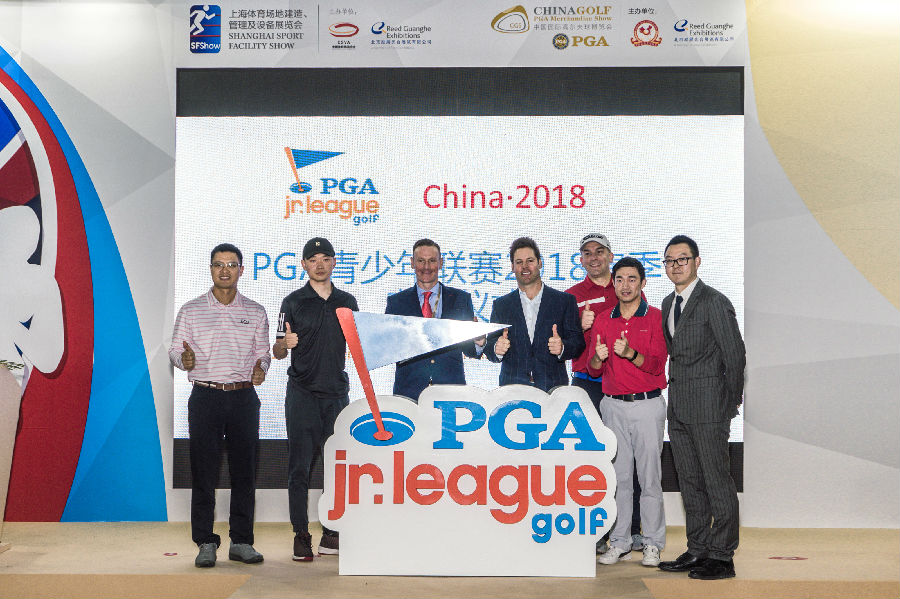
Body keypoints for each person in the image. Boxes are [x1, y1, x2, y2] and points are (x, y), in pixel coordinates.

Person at [169, 243, 270, 568]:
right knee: (203, 472)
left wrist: (262, 367)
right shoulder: (191, 310)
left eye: (231, 264)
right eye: (218, 264)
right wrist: (183, 360)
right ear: (210, 269)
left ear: (241, 270)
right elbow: (175, 350)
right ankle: (205, 542)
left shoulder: (256, 311)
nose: (224, 270)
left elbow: (264, 353)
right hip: (206, 396)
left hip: (243, 398)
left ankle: (241, 541)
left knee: (245, 472)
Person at [657, 235, 745, 580]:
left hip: (710, 409)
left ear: (696, 262)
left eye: (682, 259)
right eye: (670, 260)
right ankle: (698, 549)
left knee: (716, 481)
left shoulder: (714, 301)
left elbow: (734, 356)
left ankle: (722, 556)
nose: (676, 266)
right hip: (678, 408)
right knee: (690, 482)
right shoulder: (668, 303)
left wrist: (729, 403)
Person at [273, 237, 359, 562]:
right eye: (313, 259)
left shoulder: (347, 301)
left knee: (336, 468)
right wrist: (285, 344)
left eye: (325, 258)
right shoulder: (292, 301)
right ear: (304, 264)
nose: (319, 264)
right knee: (299, 468)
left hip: (336, 395)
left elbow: (359, 344)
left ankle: (331, 532)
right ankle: (300, 534)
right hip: (302, 395)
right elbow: (276, 350)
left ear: (334, 262)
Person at [566, 233, 645, 554]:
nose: (594, 257)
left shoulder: (624, 288)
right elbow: (564, 345)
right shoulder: (571, 296)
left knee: (628, 458)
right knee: (588, 459)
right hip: (586, 384)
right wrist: (579, 326)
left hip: (621, 383)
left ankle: (633, 528)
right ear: (581, 260)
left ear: (610, 255)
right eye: (587, 253)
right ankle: (595, 531)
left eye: (600, 251)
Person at [587, 257, 668, 568]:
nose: (625, 285)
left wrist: (630, 353)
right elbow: (594, 369)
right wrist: (598, 357)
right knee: (619, 479)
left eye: (632, 279)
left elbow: (657, 365)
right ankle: (619, 541)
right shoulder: (603, 319)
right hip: (612, 405)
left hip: (647, 405)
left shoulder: (656, 317)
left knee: (649, 479)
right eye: (619, 279)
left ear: (642, 283)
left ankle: (652, 543)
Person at [385, 238, 485, 402]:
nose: (426, 267)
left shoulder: (461, 299)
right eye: (421, 261)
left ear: (441, 263)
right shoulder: (396, 302)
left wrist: (478, 342)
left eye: (432, 261)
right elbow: (389, 349)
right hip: (409, 392)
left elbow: (470, 351)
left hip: (451, 392)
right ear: (412, 263)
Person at [484, 237, 584, 392]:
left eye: (530, 261)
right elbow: (489, 346)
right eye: (519, 262)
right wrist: (496, 348)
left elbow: (578, 343)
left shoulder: (564, 301)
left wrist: (563, 348)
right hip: (512, 390)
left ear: (540, 263)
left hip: (553, 390)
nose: (525, 266)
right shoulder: (501, 305)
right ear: (512, 267)